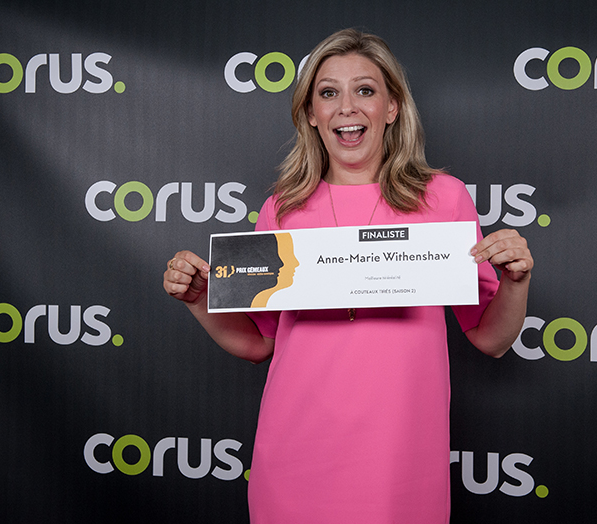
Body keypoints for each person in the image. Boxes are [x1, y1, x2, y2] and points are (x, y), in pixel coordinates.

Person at [163, 28, 532, 524]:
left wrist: (515, 282)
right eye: (328, 93)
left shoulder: (443, 199)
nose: (346, 107)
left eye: (365, 90)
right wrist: (197, 298)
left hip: (401, 456)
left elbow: (491, 338)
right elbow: (257, 343)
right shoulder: (282, 209)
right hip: (295, 450)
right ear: (311, 114)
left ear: (392, 107)